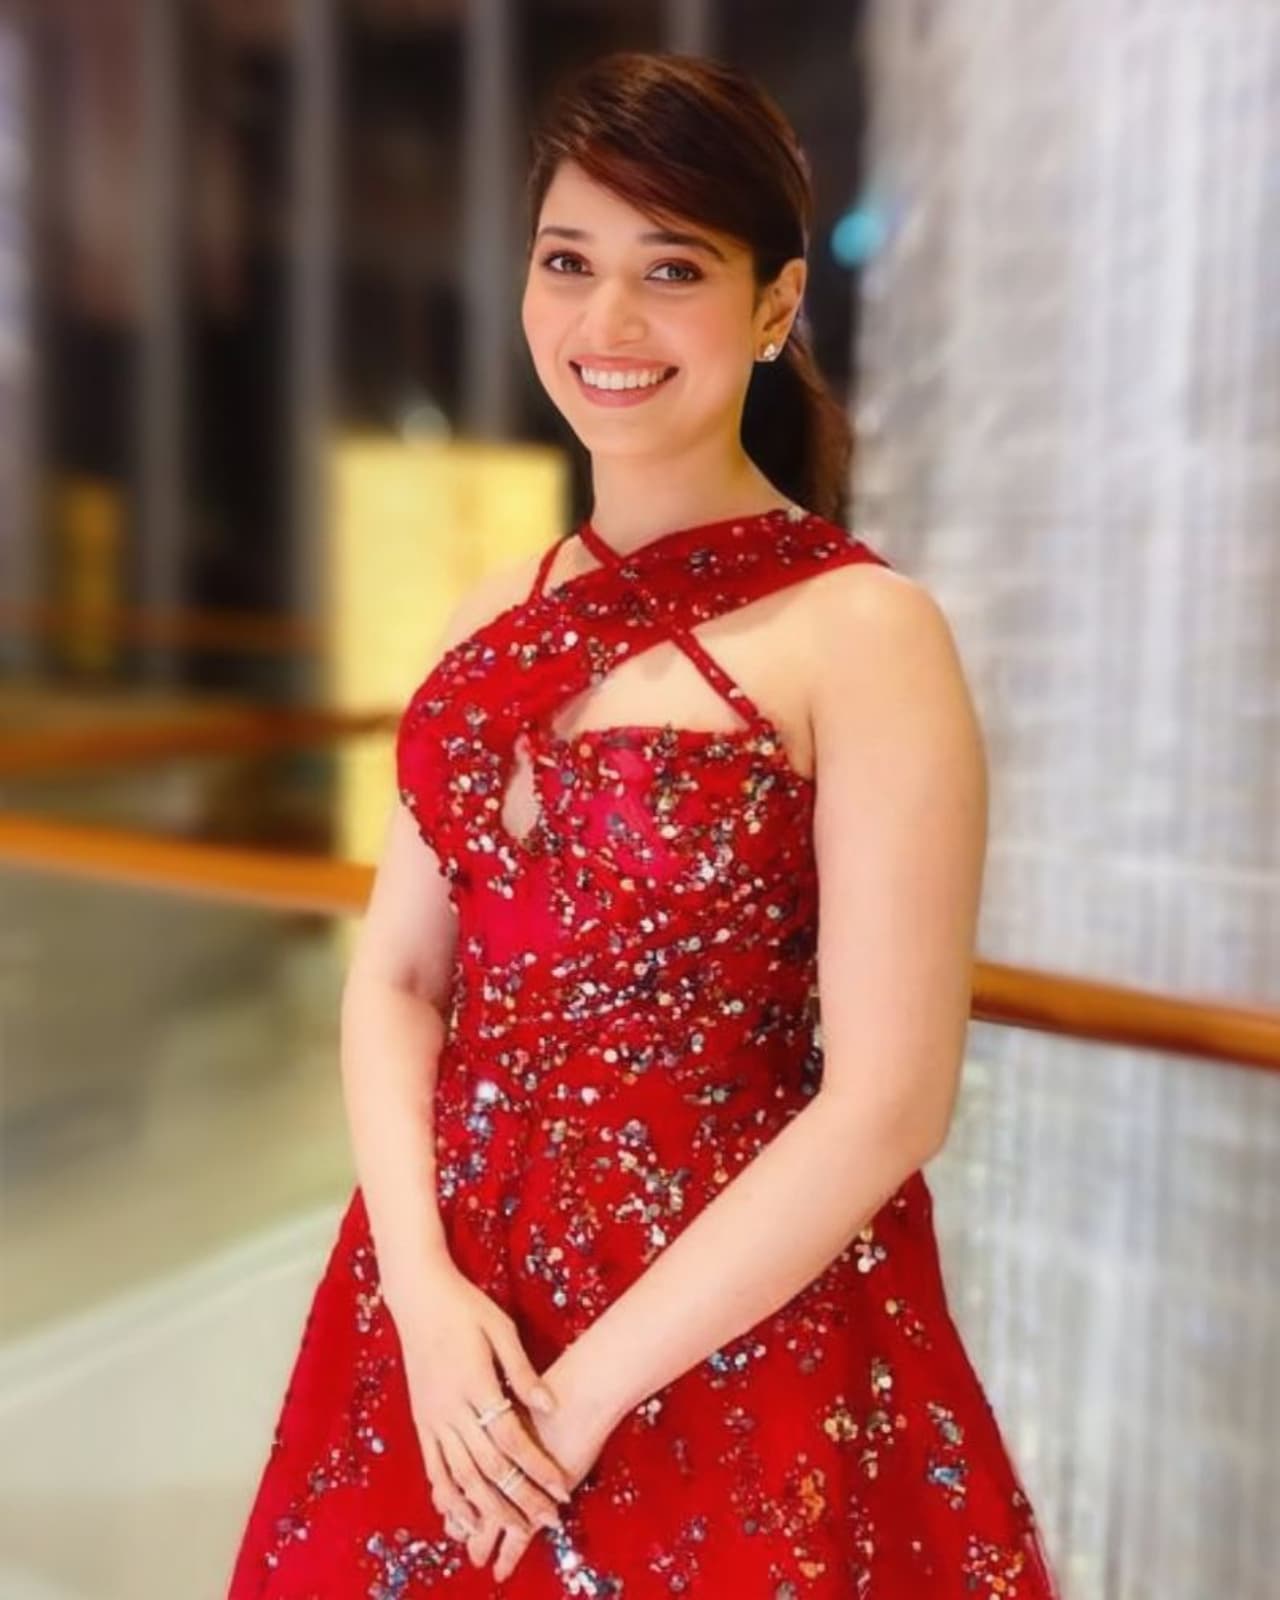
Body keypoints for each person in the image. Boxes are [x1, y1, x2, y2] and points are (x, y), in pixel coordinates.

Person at [226, 49, 1062, 1597]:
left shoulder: (862, 633)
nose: (606, 321)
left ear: (774, 304)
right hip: (449, 1320)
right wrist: (423, 1296)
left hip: (723, 1324)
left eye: (670, 269)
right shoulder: (493, 611)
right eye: (569, 263)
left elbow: (889, 1101)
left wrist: (579, 1401)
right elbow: (399, 979)